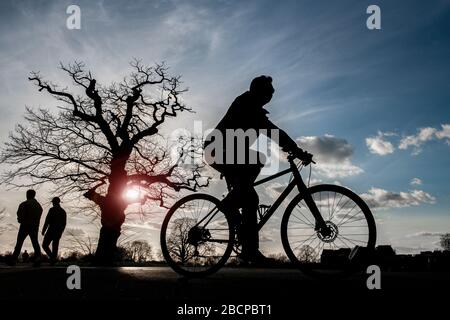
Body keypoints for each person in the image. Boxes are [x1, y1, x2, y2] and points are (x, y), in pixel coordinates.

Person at [204, 76, 313, 263]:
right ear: (257, 91)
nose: (269, 97)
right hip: (217, 150)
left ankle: (248, 249)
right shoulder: (246, 104)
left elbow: (270, 131)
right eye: (267, 93)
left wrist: (294, 149)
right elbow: (273, 131)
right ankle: (232, 207)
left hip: (228, 151)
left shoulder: (253, 106)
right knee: (255, 165)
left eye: (271, 94)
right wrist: (296, 150)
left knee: (250, 199)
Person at [9, 189, 43, 266]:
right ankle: (38, 257)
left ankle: (14, 259)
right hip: (34, 226)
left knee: (19, 243)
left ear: (28, 194)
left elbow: (19, 214)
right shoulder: (39, 206)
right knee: (35, 242)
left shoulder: (24, 204)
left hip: (25, 225)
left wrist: (21, 219)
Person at [42, 197, 67, 265]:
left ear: (55, 202)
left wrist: (43, 230)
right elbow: (64, 224)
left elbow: (47, 220)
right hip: (58, 231)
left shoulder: (52, 210)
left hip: (51, 230)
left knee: (45, 245)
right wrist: (61, 232)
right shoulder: (63, 211)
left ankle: (52, 258)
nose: (52, 203)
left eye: (53, 202)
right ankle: (53, 259)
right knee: (55, 246)